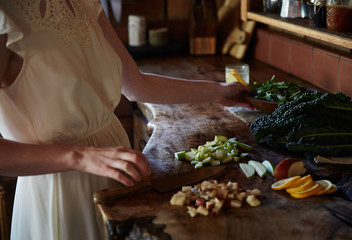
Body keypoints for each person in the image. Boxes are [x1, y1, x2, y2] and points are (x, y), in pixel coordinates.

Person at [0, 0, 252, 239]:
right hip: (61, 192)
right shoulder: (6, 12)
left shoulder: (86, 3)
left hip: (119, 177)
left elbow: (137, 85)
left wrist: (217, 91)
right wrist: (81, 156)